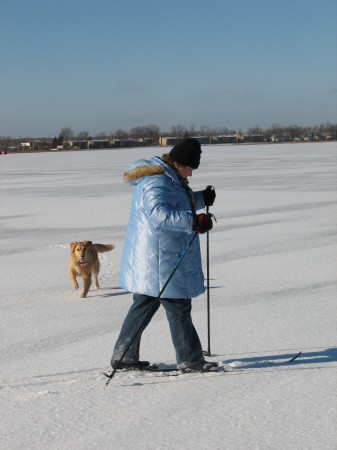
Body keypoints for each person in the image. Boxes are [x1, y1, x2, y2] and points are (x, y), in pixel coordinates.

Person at [111, 138, 217, 372]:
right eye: (189, 168)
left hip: (157, 257)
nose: (190, 174)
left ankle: (124, 357)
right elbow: (159, 215)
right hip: (158, 259)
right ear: (178, 163)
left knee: (144, 304)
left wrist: (201, 199)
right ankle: (191, 360)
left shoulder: (170, 180)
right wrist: (193, 221)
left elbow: (178, 202)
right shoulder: (156, 182)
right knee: (178, 306)